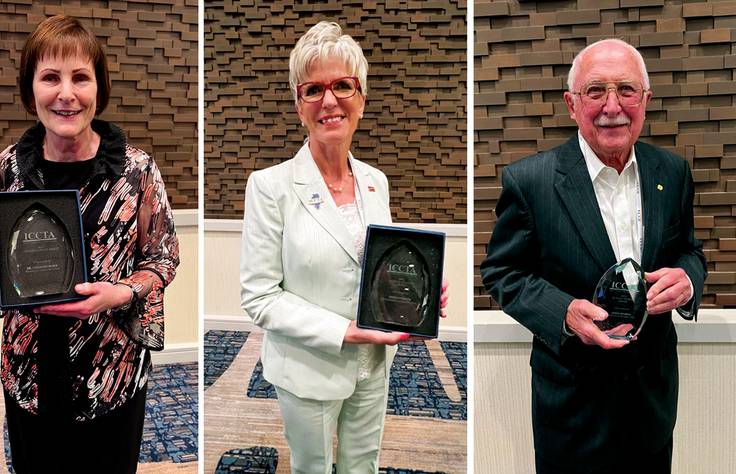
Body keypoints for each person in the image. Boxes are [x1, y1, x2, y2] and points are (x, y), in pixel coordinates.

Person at [480, 38, 707, 474]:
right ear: (571, 103)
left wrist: (688, 278)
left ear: (645, 100)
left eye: (626, 90)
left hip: (651, 404)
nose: (612, 105)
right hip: (571, 408)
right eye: (596, 90)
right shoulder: (531, 181)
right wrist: (563, 312)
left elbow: (688, 250)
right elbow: (501, 271)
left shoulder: (673, 173)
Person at [0, 15, 179, 473]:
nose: (66, 93)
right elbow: (8, 262)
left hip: (110, 368)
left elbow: (163, 258)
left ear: (98, 90)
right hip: (30, 368)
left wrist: (120, 293)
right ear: (30, 91)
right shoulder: (10, 167)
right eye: (50, 77)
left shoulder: (136, 170)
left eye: (80, 77)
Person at [240, 21, 448, 473]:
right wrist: (344, 331)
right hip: (309, 367)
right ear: (298, 105)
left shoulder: (376, 183)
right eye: (313, 89)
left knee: (362, 466)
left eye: (342, 86)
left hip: (373, 363)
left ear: (362, 98)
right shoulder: (269, 186)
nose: (329, 101)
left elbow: (379, 268)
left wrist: (420, 289)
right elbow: (260, 297)